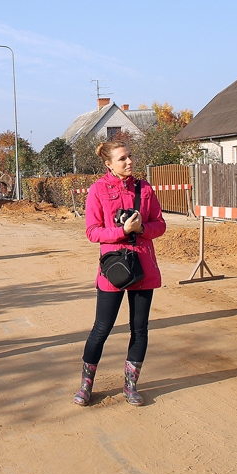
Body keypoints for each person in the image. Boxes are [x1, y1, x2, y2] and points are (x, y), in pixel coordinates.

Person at [73, 141, 166, 407]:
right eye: (122, 158)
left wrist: (141, 229)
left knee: (140, 329)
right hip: (114, 269)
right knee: (101, 328)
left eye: (130, 156)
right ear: (109, 164)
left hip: (143, 267)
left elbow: (160, 225)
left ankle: (131, 385)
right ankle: (86, 385)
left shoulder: (144, 189)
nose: (129, 162)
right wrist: (122, 231)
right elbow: (92, 231)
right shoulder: (98, 189)